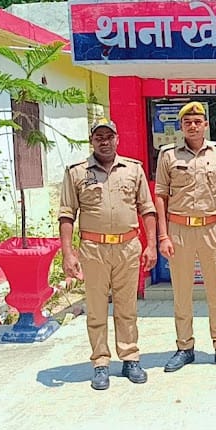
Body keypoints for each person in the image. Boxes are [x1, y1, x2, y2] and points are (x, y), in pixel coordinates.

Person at [59, 119, 157, 390]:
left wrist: (151, 245)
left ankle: (130, 357)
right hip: (93, 250)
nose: (104, 141)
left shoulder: (133, 169)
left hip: (128, 247)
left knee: (127, 307)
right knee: (96, 309)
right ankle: (100, 362)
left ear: (117, 139)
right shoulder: (77, 172)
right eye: (99, 137)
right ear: (92, 141)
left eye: (109, 136)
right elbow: (67, 214)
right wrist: (68, 254)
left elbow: (147, 208)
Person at [154, 101, 216, 372]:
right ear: (181, 126)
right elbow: (160, 196)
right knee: (182, 292)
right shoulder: (168, 155)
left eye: (197, 121)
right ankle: (184, 347)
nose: (192, 126)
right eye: (187, 122)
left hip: (211, 228)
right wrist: (163, 236)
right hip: (179, 230)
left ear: (206, 125)